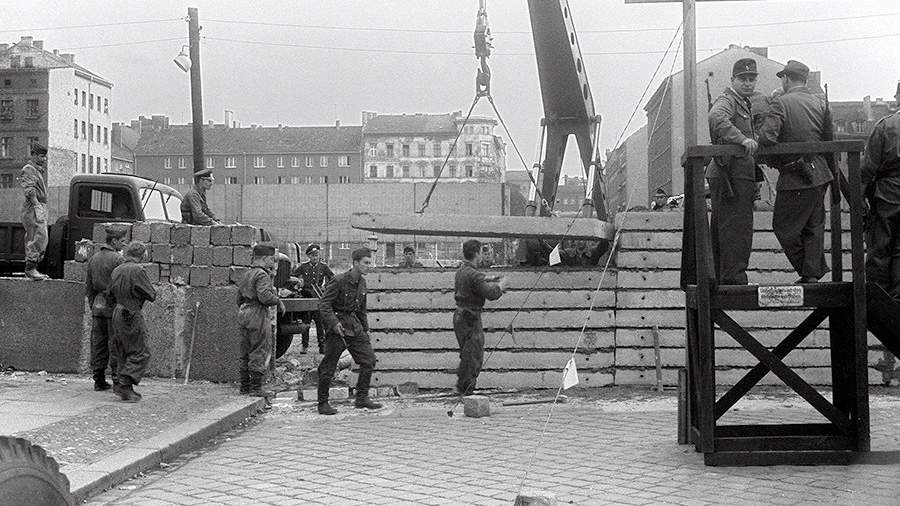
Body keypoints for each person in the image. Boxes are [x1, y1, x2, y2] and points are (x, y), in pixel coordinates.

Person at [758, 60, 833, 283]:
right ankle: (811, 274)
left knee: (783, 227)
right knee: (813, 227)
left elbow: (766, 138)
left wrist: (775, 161)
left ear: (786, 79)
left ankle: (810, 271)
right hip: (820, 173)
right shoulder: (819, 103)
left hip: (795, 176)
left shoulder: (781, 102)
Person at [706, 58, 761, 285]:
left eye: (751, 79)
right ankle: (733, 277)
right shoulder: (728, 100)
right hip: (731, 172)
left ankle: (724, 275)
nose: (748, 83)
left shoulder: (742, 101)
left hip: (733, 173)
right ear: (732, 80)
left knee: (728, 226)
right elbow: (716, 117)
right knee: (737, 228)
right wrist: (742, 139)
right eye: (743, 79)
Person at [316, 248, 381, 415]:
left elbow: (361, 310)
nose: (369, 266)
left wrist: (365, 330)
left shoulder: (362, 283)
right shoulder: (338, 281)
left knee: (369, 360)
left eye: (369, 262)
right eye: (366, 263)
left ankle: (361, 398)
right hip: (338, 328)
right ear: (356, 263)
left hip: (355, 326)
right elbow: (324, 305)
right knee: (328, 367)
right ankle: (322, 403)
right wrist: (334, 323)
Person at [454, 239, 509, 396]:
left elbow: (476, 281)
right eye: (480, 252)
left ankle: (462, 385)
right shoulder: (473, 274)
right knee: (474, 353)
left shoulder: (461, 270)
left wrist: (489, 279)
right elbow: (490, 293)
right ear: (477, 253)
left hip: (459, 315)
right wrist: (500, 286)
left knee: (466, 352)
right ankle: (466, 388)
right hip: (470, 317)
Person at [862, 84, 900, 299]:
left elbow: (868, 168)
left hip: (888, 193)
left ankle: (878, 300)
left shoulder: (885, 125)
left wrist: (860, 200)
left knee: (880, 246)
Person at [108, 242, 157, 402]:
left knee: (122, 350)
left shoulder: (117, 269)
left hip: (117, 311)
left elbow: (110, 294)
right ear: (142, 255)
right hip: (131, 312)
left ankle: (120, 384)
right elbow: (151, 294)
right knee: (141, 351)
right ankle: (125, 383)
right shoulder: (138, 270)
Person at [237, 243, 284, 397]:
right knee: (259, 350)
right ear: (264, 259)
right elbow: (264, 296)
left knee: (245, 351)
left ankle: (244, 387)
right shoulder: (262, 275)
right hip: (257, 314)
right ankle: (256, 388)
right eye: (272, 259)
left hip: (244, 312)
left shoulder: (246, 274)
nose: (273, 263)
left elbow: (238, 298)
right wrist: (278, 301)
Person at [85, 227, 127, 391]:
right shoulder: (118, 259)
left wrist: (92, 304)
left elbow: (88, 286)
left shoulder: (94, 258)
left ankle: (98, 379)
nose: (124, 244)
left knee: (98, 343)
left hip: (97, 306)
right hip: (114, 307)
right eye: (122, 241)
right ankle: (117, 380)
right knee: (116, 343)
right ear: (114, 241)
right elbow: (121, 285)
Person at [293, 243, 335, 354]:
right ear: (308, 256)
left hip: (318, 298)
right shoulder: (304, 267)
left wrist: (326, 288)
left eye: (316, 255)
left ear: (319, 255)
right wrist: (298, 284)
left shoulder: (323, 267)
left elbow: (333, 279)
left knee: (320, 323)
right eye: (312, 255)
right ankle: (304, 346)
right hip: (306, 297)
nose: (314, 257)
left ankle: (322, 346)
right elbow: (293, 276)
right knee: (306, 323)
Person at [18, 143, 49, 280]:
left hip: (37, 206)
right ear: (34, 154)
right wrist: (37, 206)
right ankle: (30, 269)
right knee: (37, 236)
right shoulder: (29, 169)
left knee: (40, 236)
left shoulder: (36, 170)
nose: (44, 159)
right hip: (33, 206)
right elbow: (29, 191)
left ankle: (32, 268)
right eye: (42, 156)